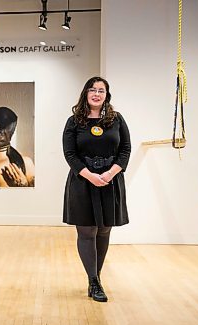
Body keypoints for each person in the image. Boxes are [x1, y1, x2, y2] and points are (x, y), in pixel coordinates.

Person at [62, 76, 131, 302]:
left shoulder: (117, 120)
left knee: (103, 230)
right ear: (85, 93)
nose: (96, 94)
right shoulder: (74, 122)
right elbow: (70, 154)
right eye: (92, 89)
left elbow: (125, 150)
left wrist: (111, 173)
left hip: (110, 181)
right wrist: (90, 175)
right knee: (87, 231)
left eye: (101, 90)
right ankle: (94, 281)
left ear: (106, 95)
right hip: (83, 181)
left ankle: (96, 278)